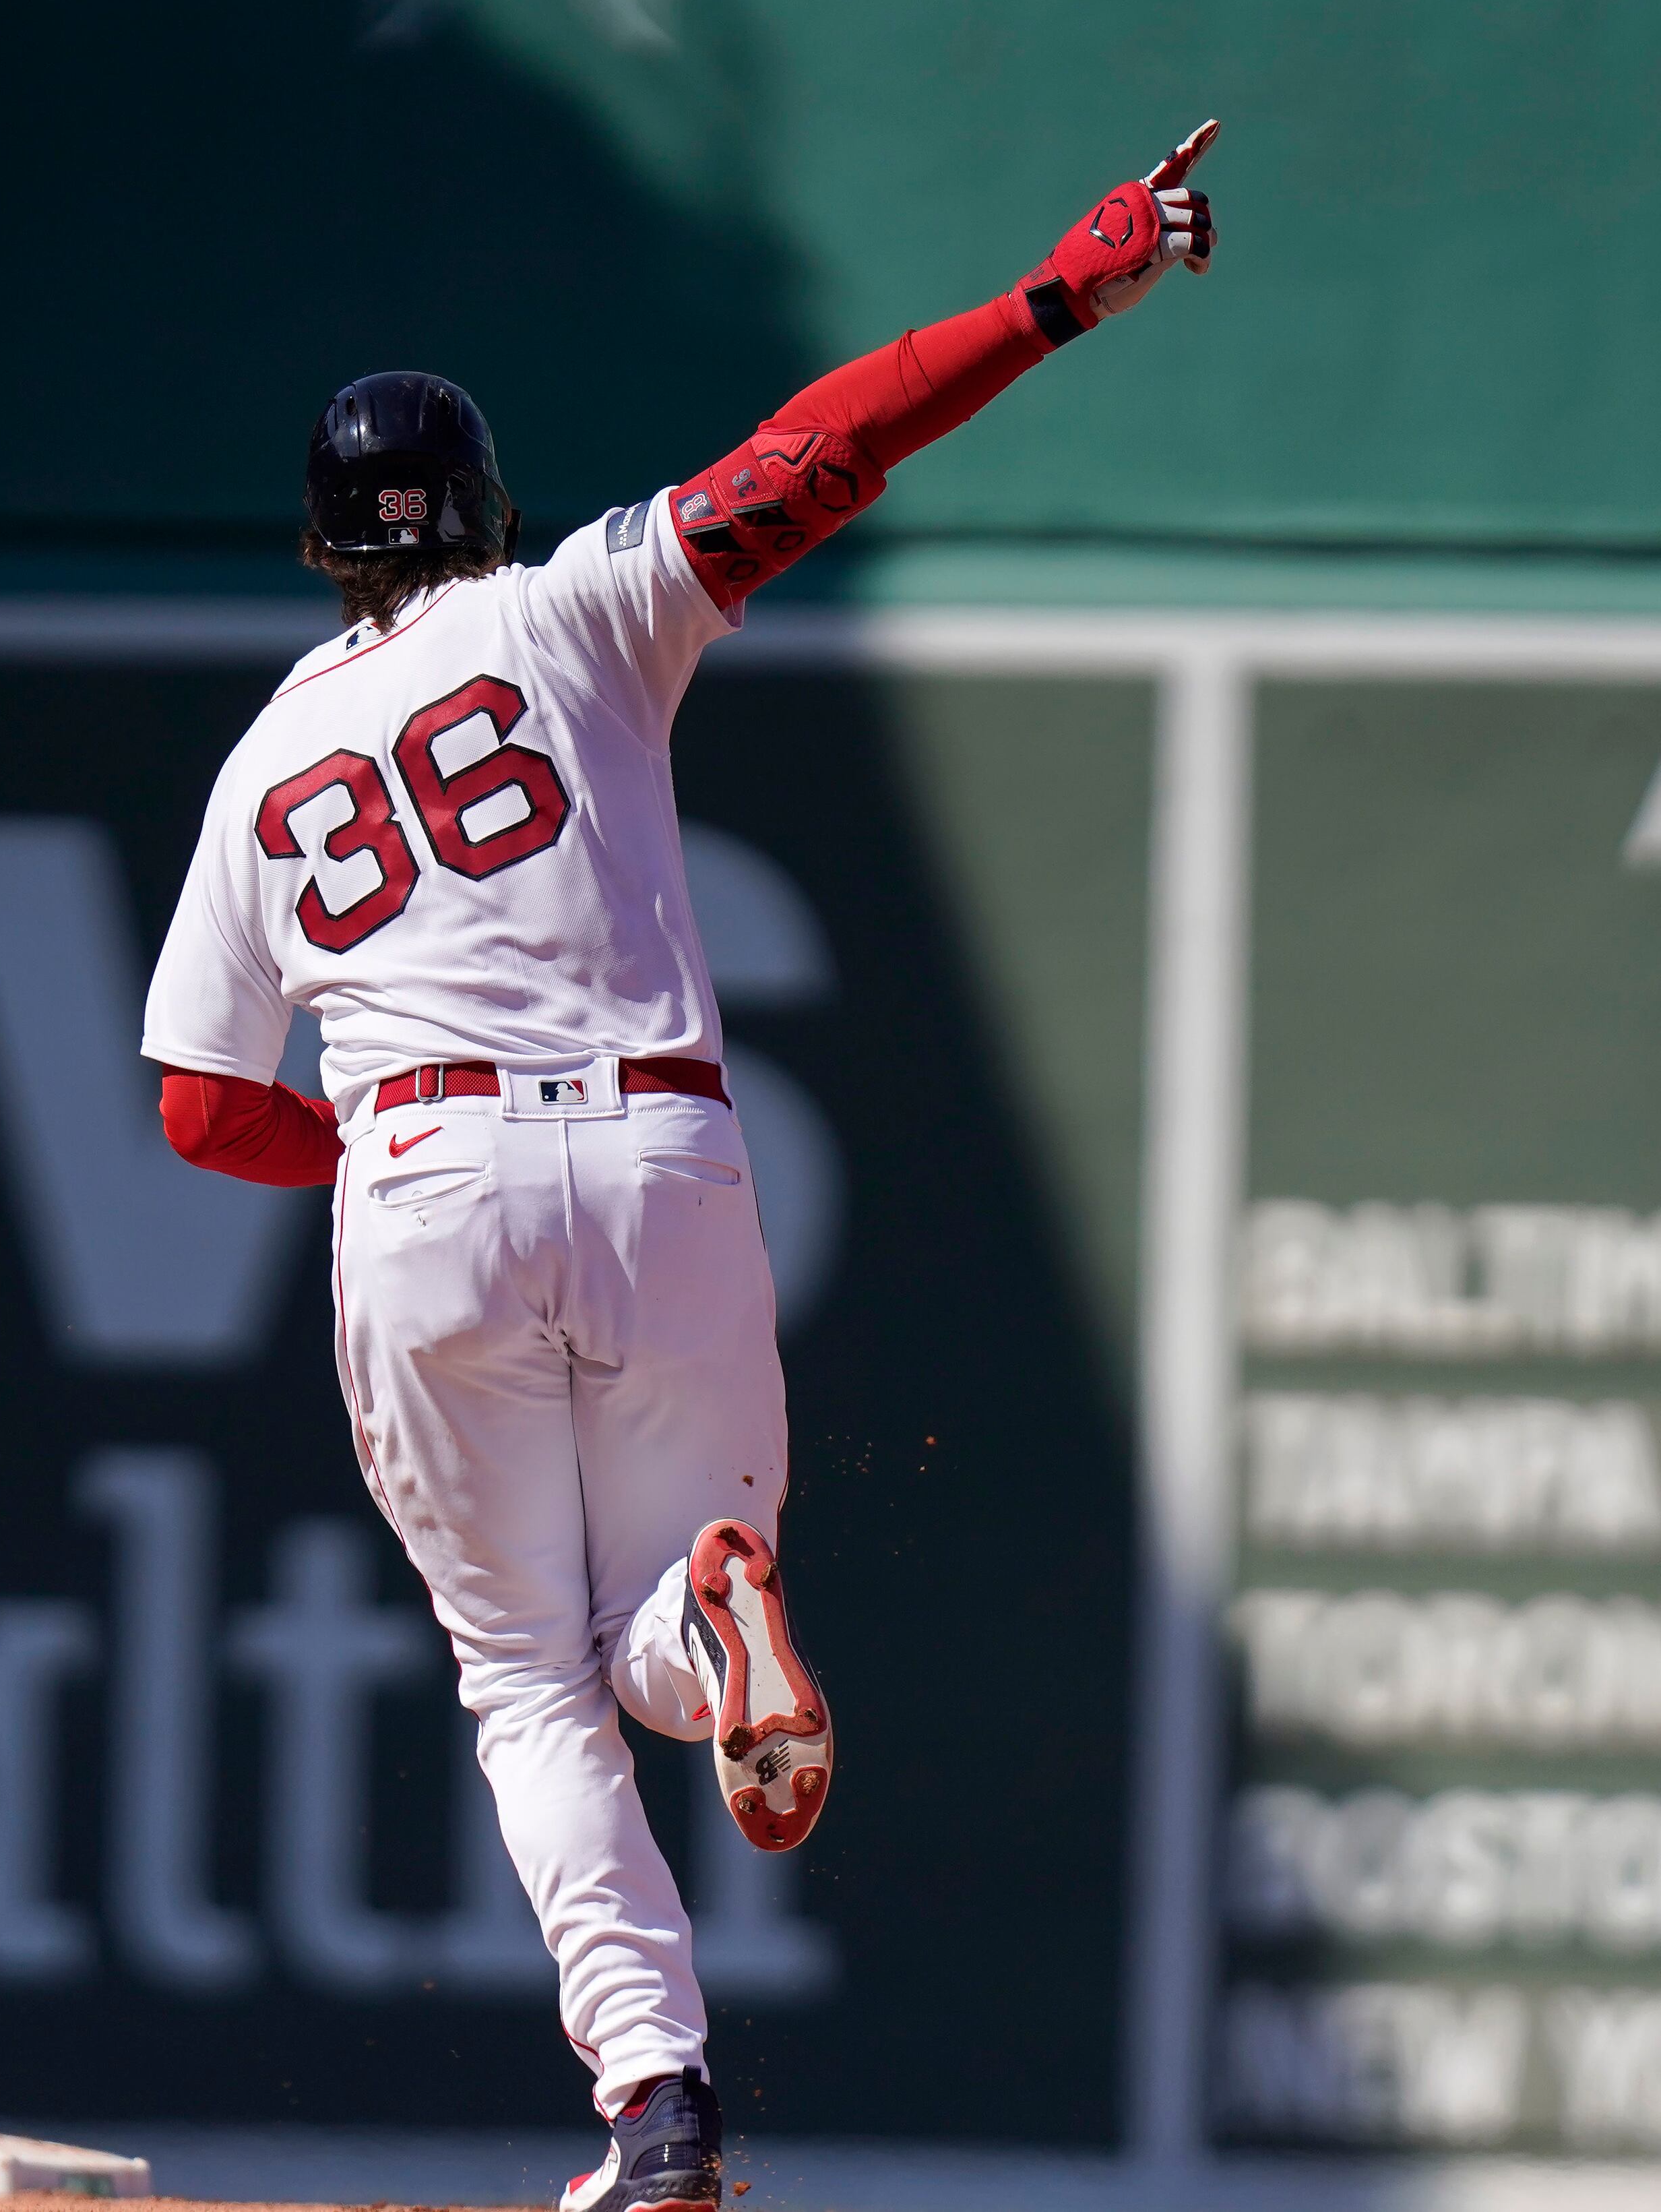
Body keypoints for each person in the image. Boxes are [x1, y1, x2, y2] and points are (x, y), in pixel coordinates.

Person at [141, 119, 1219, 2212]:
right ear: (480, 509)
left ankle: (657, 2105)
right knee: (639, 1618)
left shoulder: (267, 755)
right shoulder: (573, 614)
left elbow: (194, 1102)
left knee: (523, 1676)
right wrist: (1059, 289)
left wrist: (367, 1154)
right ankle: (722, 1621)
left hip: (423, 1182)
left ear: (327, 551)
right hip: (662, 1152)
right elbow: (819, 449)